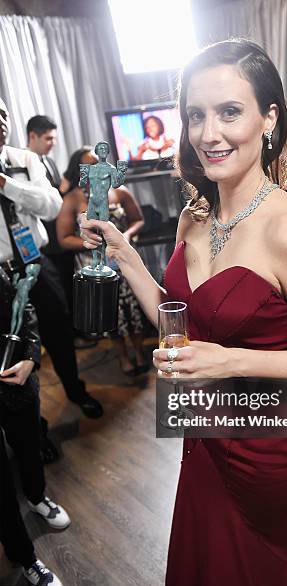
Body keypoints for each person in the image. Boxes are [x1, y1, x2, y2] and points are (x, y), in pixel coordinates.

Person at [80, 40, 287, 586]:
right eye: (196, 115)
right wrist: (126, 257)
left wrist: (227, 360)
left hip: (265, 442)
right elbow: (178, 315)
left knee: (263, 574)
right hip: (203, 427)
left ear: (268, 119)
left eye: (229, 111)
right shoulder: (194, 214)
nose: (209, 133)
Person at [0, 98, 103, 428]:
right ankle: (33, 424)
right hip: (1, 273)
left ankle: (75, 391)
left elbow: (49, 206)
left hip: (36, 261)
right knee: (13, 349)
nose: (1, 121)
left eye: (3, 114)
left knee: (60, 332)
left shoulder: (26, 159)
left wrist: (6, 184)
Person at [0, 266, 69, 586]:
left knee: (29, 446)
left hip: (14, 379)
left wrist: (30, 355)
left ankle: (37, 496)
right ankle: (24, 558)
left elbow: (22, 303)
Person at [58, 147, 149, 376]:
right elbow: (63, 239)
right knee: (111, 313)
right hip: (96, 267)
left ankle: (139, 352)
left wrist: (127, 235)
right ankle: (123, 357)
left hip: (125, 263)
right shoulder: (73, 199)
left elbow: (138, 220)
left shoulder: (119, 192)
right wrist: (92, 243)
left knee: (134, 311)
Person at [26, 115, 75, 311]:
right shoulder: (22, 165)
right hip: (44, 241)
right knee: (55, 295)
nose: (52, 143)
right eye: (48, 139)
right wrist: (63, 190)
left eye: (54, 138)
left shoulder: (50, 162)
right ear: (32, 136)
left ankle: (76, 333)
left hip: (61, 236)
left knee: (67, 285)